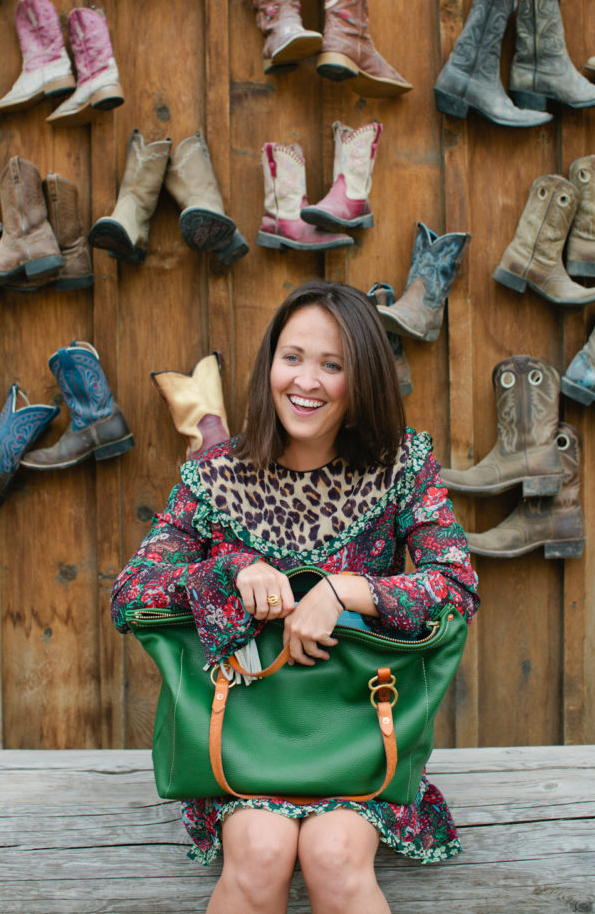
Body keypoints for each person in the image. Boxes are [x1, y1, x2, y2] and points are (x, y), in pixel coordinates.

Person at [111, 279, 479, 914]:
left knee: (335, 857)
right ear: (269, 364)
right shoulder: (215, 477)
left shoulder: (401, 465)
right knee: (259, 851)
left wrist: (345, 589)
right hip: (244, 739)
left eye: (332, 365)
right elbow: (130, 594)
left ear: (360, 379)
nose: (305, 381)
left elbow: (455, 583)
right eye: (293, 357)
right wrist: (228, 572)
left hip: (361, 735)